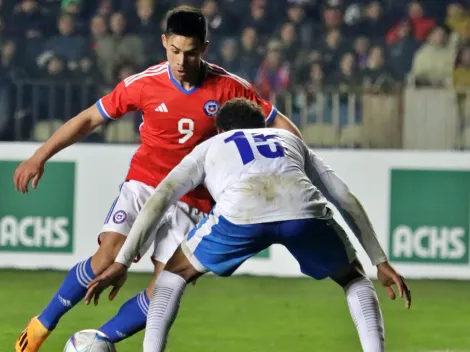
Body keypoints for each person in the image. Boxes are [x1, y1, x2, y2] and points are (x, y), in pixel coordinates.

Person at [13, 6, 301, 352]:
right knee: (107, 256)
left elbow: (281, 124)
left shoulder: (228, 88)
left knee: (166, 287)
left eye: (191, 53)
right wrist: (40, 155)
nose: (181, 61)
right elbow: (90, 118)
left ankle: (98, 341)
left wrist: (293, 165)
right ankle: (40, 327)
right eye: (174, 51)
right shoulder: (145, 84)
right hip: (145, 184)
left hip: (193, 200)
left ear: (204, 49)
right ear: (164, 43)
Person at [86, 98, 412, 352]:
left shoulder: (211, 145)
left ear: (219, 129)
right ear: (262, 124)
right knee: (354, 277)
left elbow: (160, 199)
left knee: (173, 275)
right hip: (303, 211)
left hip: (242, 213)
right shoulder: (287, 138)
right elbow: (344, 197)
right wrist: (380, 262)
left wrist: (122, 261)